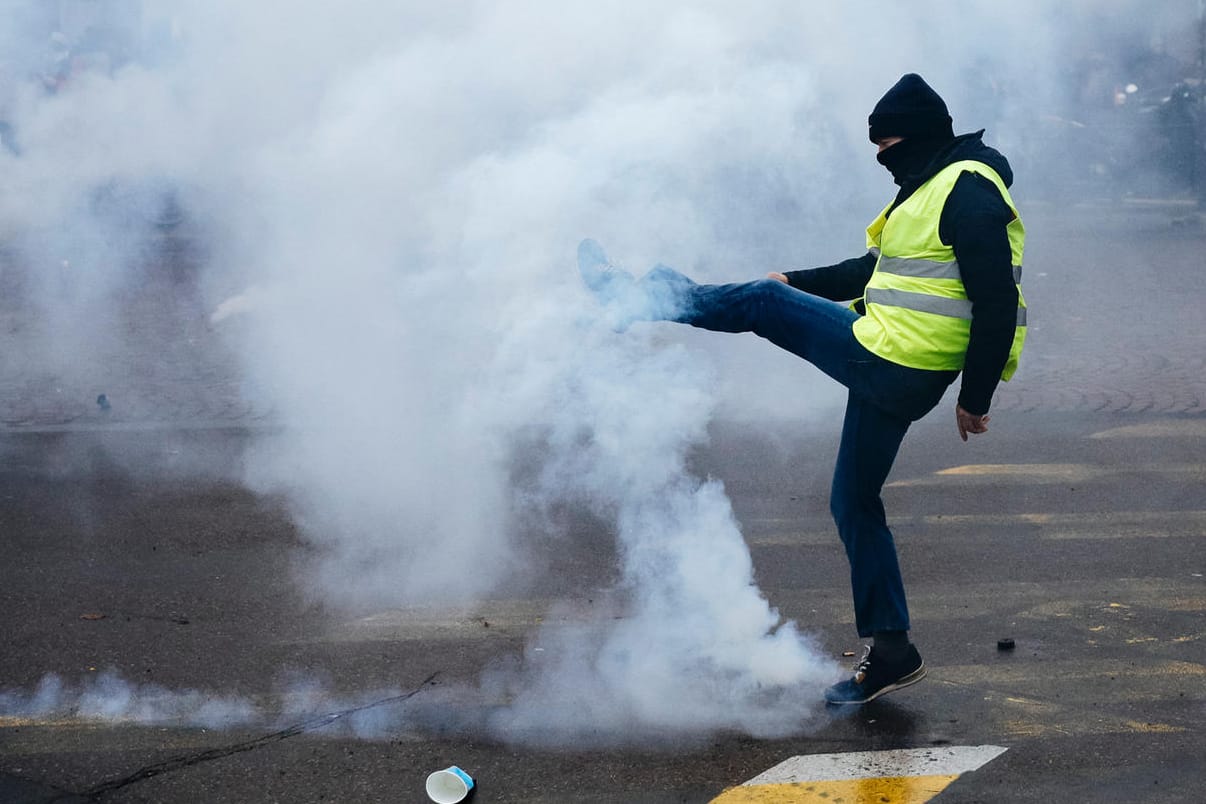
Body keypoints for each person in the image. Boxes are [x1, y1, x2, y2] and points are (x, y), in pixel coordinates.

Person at [578, 73, 1026, 705]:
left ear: (921, 136)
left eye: (887, 144)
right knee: (853, 501)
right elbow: (876, 269)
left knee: (762, 303)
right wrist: (797, 279)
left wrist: (976, 398)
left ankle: (641, 296)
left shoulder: (967, 191)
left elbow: (997, 300)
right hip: (893, 356)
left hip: (896, 359)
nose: (881, 159)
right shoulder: (932, 187)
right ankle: (893, 647)